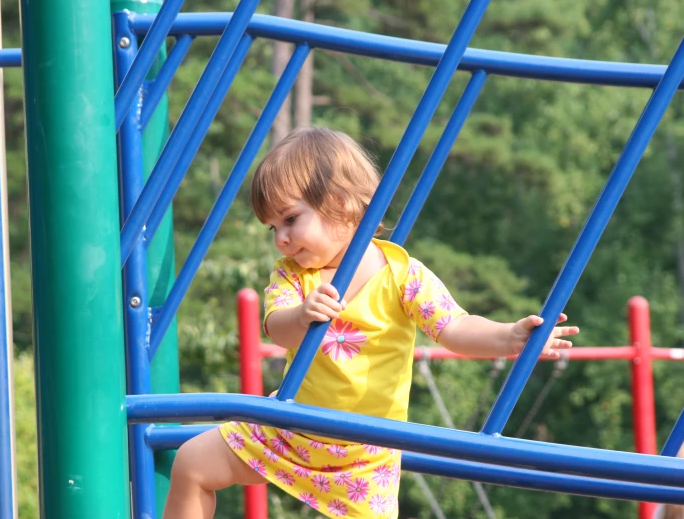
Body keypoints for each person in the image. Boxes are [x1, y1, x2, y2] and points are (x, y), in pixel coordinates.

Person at [162, 127, 579, 519]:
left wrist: (508, 337)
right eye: (273, 227)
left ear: (342, 202)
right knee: (192, 463)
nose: (281, 239)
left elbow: (455, 327)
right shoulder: (293, 275)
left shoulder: (402, 274)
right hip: (291, 430)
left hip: (365, 456)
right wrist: (304, 313)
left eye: (290, 219)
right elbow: (277, 327)